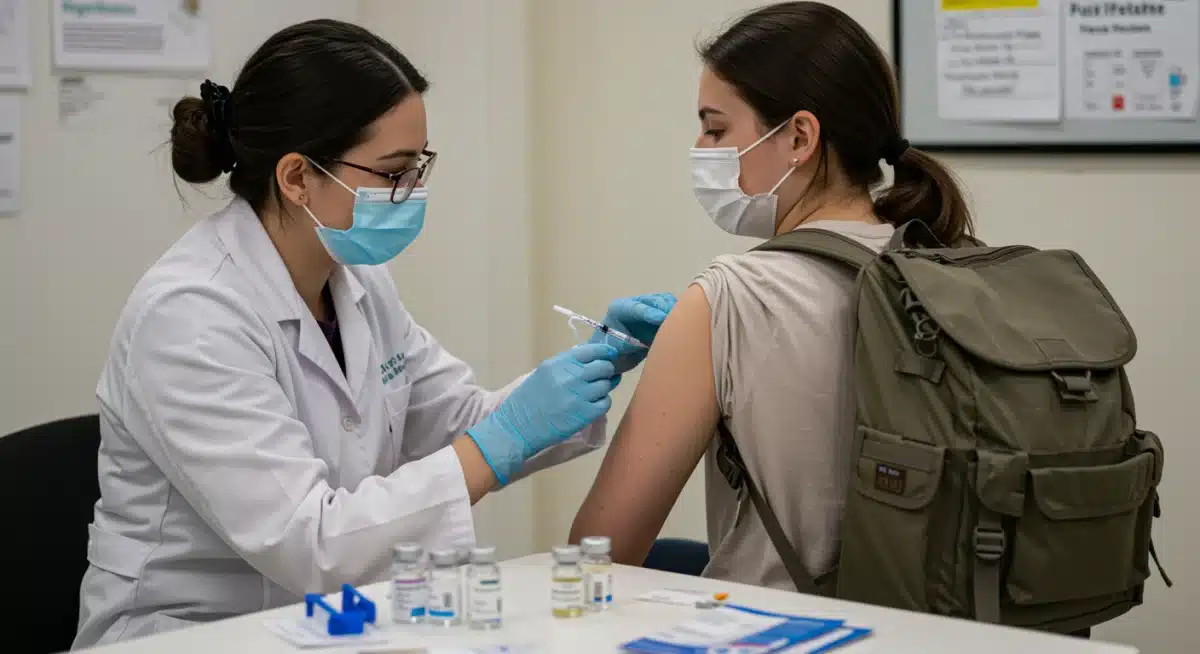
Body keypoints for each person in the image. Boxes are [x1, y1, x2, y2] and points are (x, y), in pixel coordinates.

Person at [74, 19, 674, 648]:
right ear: (296, 177)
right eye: (393, 172)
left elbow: (460, 419)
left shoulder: (356, 278)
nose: (413, 191)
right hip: (190, 633)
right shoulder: (190, 314)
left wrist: (600, 357)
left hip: (323, 623)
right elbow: (312, 542)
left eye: (419, 166)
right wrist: (501, 442)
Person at [570, 1, 973, 590]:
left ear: (800, 137)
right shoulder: (946, 269)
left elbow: (596, 558)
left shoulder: (729, 297)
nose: (702, 149)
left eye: (715, 128)